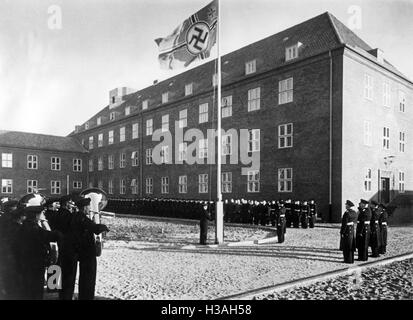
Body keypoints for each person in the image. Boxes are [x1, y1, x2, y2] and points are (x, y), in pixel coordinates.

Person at [59, 197, 109, 300]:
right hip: (86, 251)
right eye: (89, 206)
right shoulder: (82, 217)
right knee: (88, 278)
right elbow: (95, 228)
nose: (90, 208)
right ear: (85, 207)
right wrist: (104, 227)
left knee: (69, 276)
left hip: (75, 249)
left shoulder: (74, 216)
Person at [19, 205, 62, 300]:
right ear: (36, 215)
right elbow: (46, 234)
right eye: (41, 213)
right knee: (36, 289)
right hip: (35, 261)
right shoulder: (33, 227)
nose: (43, 215)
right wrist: (60, 234)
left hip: (30, 261)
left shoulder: (26, 225)